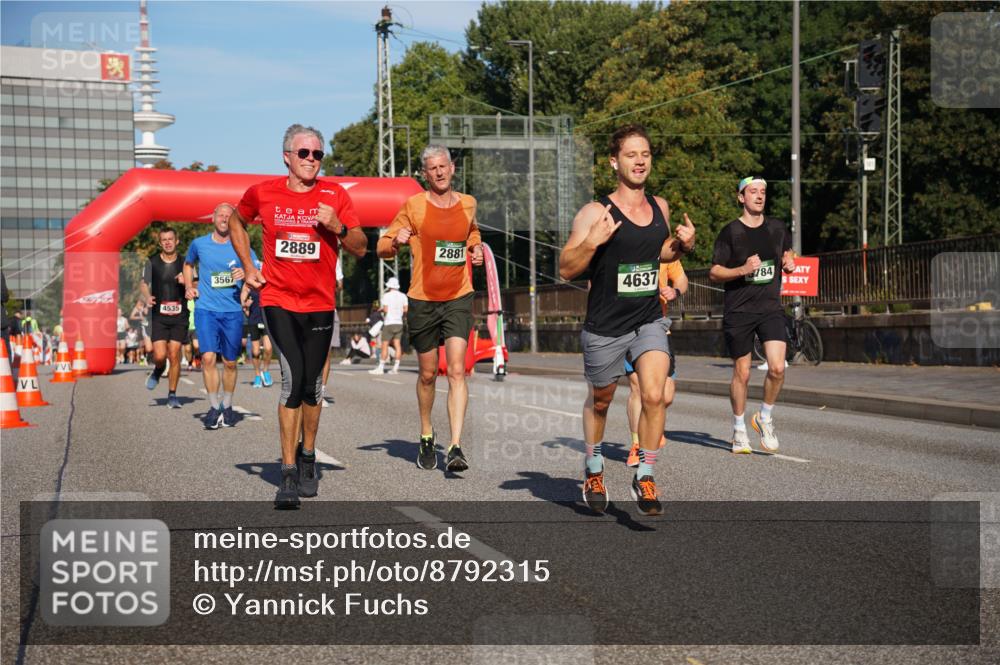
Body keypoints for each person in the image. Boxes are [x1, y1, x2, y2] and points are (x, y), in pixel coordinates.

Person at [558, 124, 695, 517]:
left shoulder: (661, 207)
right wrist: (591, 242)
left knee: (654, 395)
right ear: (614, 162)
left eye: (646, 154)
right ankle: (595, 467)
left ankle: (645, 474)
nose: (640, 161)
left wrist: (685, 243)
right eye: (632, 154)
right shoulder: (595, 212)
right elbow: (567, 267)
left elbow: (660, 253)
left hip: (648, 318)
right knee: (601, 401)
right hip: (605, 324)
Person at [230, 123, 367, 509]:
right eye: (304, 153)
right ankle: (287, 473)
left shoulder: (334, 194)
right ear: (287, 156)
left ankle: (309, 454)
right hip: (278, 300)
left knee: (312, 387)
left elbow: (360, 247)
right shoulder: (263, 193)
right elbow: (237, 222)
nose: (311, 160)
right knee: (291, 383)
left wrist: (336, 226)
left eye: (317, 154)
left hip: (320, 304)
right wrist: (247, 263)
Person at [377, 145, 484, 473]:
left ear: (452, 169)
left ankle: (454, 445)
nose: (439, 172)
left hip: (458, 296)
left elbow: (472, 231)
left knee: (455, 370)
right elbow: (382, 247)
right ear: (424, 174)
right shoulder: (414, 206)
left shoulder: (468, 203)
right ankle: (426, 433)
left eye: (443, 166)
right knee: (426, 374)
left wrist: (475, 247)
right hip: (423, 299)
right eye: (432, 168)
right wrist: (396, 240)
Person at [709, 177, 795, 454]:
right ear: (741, 197)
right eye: (752, 192)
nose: (759, 196)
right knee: (742, 373)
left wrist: (790, 260)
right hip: (739, 310)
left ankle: (764, 417)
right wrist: (742, 270)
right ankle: (738, 429)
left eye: (763, 192)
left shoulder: (777, 227)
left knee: (778, 367)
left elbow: (787, 250)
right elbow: (715, 272)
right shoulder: (730, 232)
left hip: (770, 308)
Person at [184, 203, 258, 430]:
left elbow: (255, 272)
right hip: (206, 309)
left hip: (233, 311)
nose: (225, 218)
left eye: (229, 216)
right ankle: (214, 407)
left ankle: (227, 405)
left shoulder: (242, 243)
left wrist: (245, 272)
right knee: (207, 358)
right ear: (213, 218)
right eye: (221, 215)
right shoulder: (199, 244)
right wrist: (189, 286)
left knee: (230, 363)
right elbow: (188, 265)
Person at [624, 259, 688, 466]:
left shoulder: (665, 253)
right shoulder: (621, 247)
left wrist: (675, 291)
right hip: (625, 328)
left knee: (665, 395)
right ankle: (637, 444)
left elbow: (681, 279)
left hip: (658, 328)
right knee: (637, 388)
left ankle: (651, 423)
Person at [141, 226, 188, 408]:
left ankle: (172, 394)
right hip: (159, 315)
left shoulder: (186, 263)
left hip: (180, 315)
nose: (168, 242)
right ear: (160, 243)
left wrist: (187, 282)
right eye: (164, 240)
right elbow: (144, 284)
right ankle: (158, 369)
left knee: (174, 354)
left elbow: (197, 284)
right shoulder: (152, 262)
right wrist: (147, 297)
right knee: (160, 355)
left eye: (171, 239)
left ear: (177, 241)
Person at [241, 257, 274, 389]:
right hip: (254, 320)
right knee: (255, 352)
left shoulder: (268, 282)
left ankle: (265, 371)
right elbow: (242, 299)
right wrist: (245, 304)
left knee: (268, 348)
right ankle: (257, 375)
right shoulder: (249, 283)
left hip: (266, 320)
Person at [318, 255, 344, 407]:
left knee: (325, 354)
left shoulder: (334, 258)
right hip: (306, 310)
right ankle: (304, 389)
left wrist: (332, 281)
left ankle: (321, 392)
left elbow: (340, 285)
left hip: (328, 310)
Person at [369, 277, 408, 375]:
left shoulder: (386, 296)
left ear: (389, 286)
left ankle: (381, 368)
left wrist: (382, 310)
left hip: (389, 322)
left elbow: (386, 310)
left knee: (384, 345)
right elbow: (406, 310)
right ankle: (396, 367)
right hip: (399, 322)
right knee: (397, 345)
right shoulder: (403, 296)